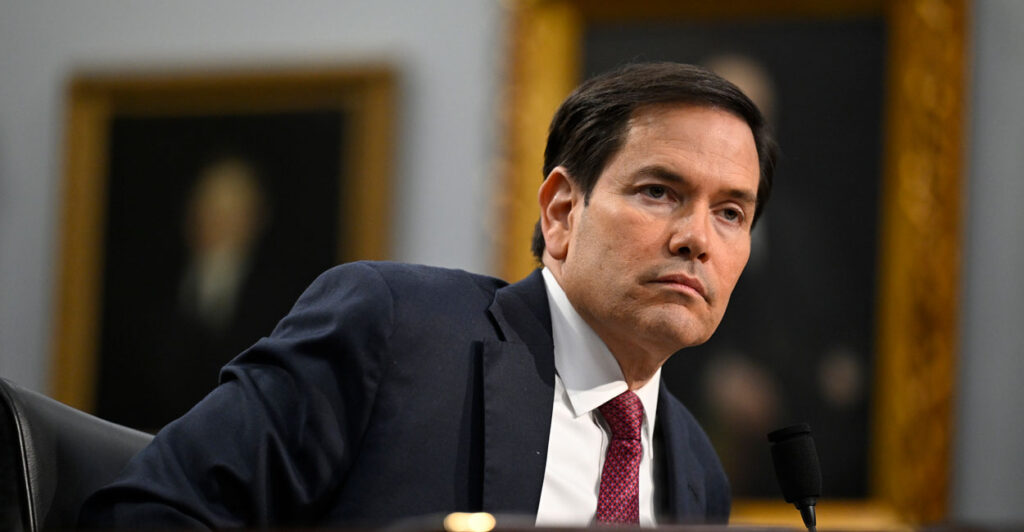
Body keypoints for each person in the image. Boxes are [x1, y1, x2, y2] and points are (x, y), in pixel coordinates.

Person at [79, 62, 777, 529]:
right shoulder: (394, 330)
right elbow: (149, 513)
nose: (697, 239)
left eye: (731, 212)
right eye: (660, 192)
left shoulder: (696, 471)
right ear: (562, 212)